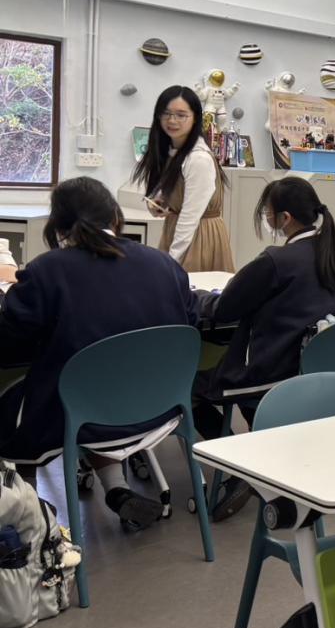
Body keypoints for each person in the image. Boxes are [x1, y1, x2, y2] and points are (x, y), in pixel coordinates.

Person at [0, 178, 200, 530]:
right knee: (98, 385)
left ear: (57, 225)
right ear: (116, 217)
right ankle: (117, 489)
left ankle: (30, 515)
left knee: (22, 402)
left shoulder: (48, 271)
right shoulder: (164, 264)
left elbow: (9, 339)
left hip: (80, 414)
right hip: (158, 410)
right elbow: (192, 319)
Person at [193, 177, 335, 520]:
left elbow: (224, 310)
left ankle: (239, 464)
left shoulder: (276, 261)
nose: (266, 218)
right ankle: (262, 458)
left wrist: (196, 297)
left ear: (284, 218)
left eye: (267, 212)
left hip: (269, 372)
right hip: (316, 373)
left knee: (188, 388)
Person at [130, 85, 234, 272]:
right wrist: (159, 202)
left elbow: (190, 217)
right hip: (176, 230)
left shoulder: (198, 158)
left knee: (188, 286)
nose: (172, 120)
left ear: (195, 118)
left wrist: (171, 261)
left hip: (198, 237)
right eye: (166, 113)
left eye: (181, 115)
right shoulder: (172, 151)